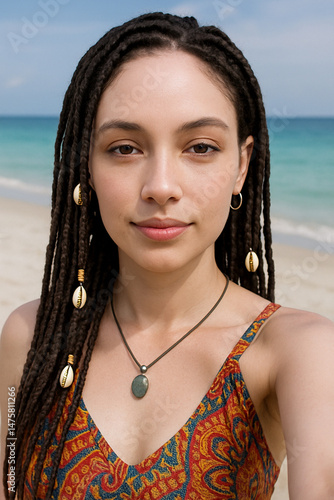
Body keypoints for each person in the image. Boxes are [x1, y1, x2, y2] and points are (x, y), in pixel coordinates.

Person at [1, 11, 333, 500]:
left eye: (199, 147)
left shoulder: (296, 351)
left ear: (242, 165)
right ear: (86, 166)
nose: (160, 187)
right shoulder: (29, 338)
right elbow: (7, 479)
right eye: (125, 148)